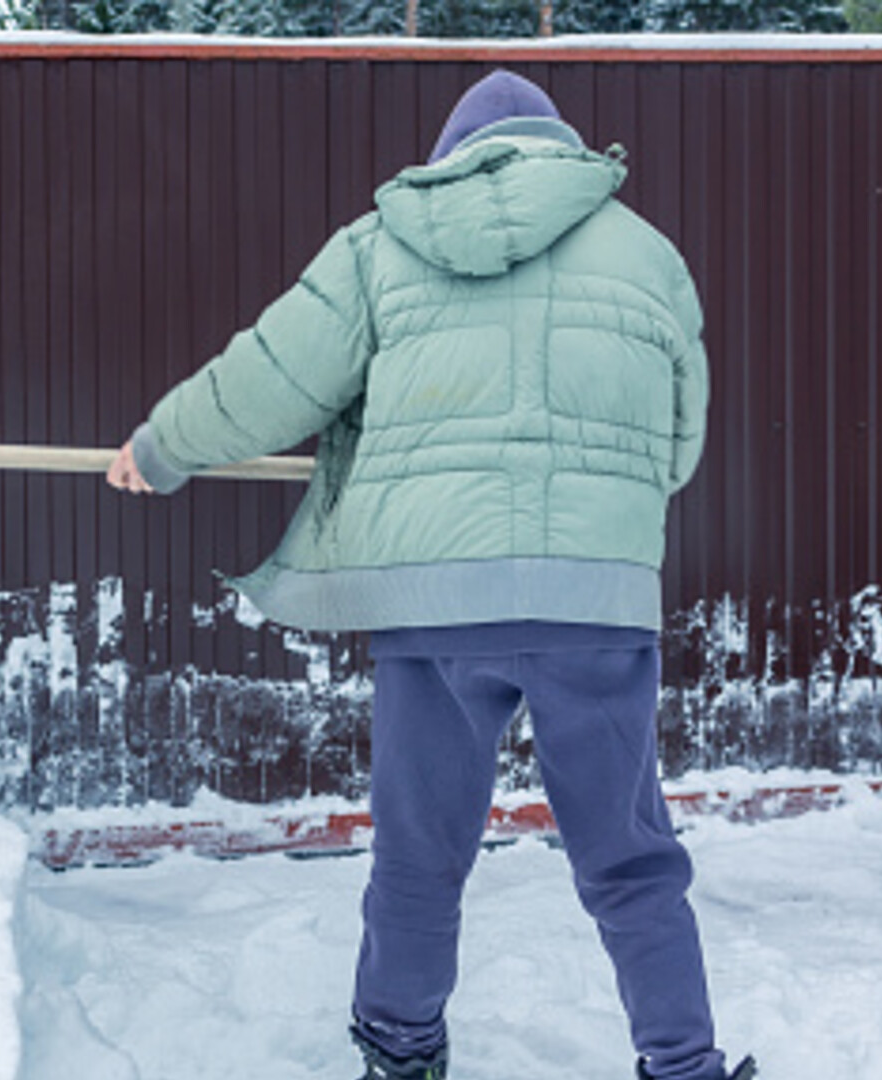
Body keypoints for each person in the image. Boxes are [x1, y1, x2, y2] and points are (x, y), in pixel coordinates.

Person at [106, 70, 752, 1080]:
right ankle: (683, 1063)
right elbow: (679, 444)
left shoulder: (383, 244)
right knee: (630, 855)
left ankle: (401, 1053)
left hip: (434, 601)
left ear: (451, 157)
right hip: (595, 598)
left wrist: (162, 447)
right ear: (561, 148)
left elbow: (272, 378)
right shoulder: (646, 253)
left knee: (420, 848)